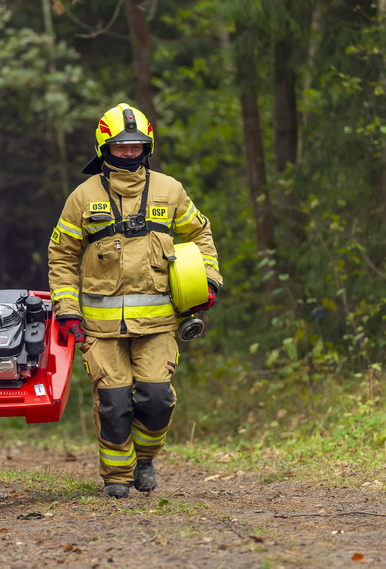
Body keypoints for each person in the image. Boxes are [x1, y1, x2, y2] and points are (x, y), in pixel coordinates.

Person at [47, 103, 222, 498]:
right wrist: (67, 309)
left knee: (156, 399)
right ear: (104, 148)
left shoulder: (170, 190)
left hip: (158, 324)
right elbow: (62, 257)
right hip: (101, 328)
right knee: (113, 403)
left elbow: (200, 234)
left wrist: (208, 278)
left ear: (148, 147)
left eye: (136, 145)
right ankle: (117, 476)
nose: (128, 152)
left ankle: (144, 459)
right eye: (120, 145)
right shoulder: (82, 197)